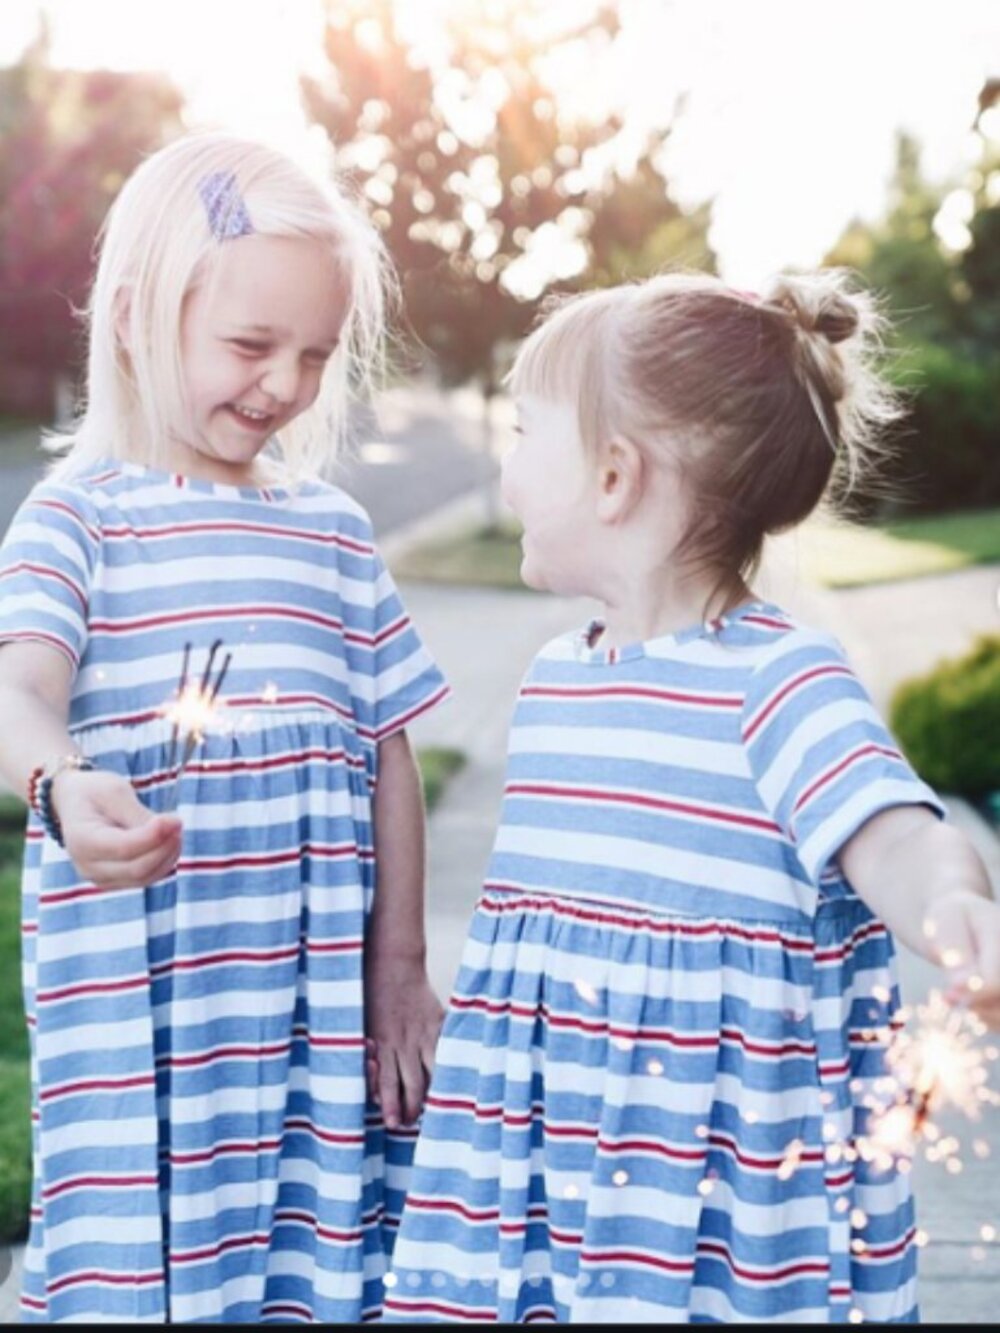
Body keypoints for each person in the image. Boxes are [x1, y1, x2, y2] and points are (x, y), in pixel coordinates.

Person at [382, 271, 1000, 1324]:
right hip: (552, 1179)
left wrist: (951, 907)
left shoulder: (779, 682)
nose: (506, 462)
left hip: (704, 1207)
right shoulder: (554, 684)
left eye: (527, 432)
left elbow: (892, 831)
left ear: (614, 475)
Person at [0, 131, 450, 1323]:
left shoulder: (335, 533)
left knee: (316, 1259)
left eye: (314, 353)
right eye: (252, 345)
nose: (287, 385)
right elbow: (15, 687)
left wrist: (398, 969)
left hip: (310, 1005)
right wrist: (57, 780)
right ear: (144, 314)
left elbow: (387, 750)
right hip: (148, 1004)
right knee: (151, 1270)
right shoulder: (80, 519)